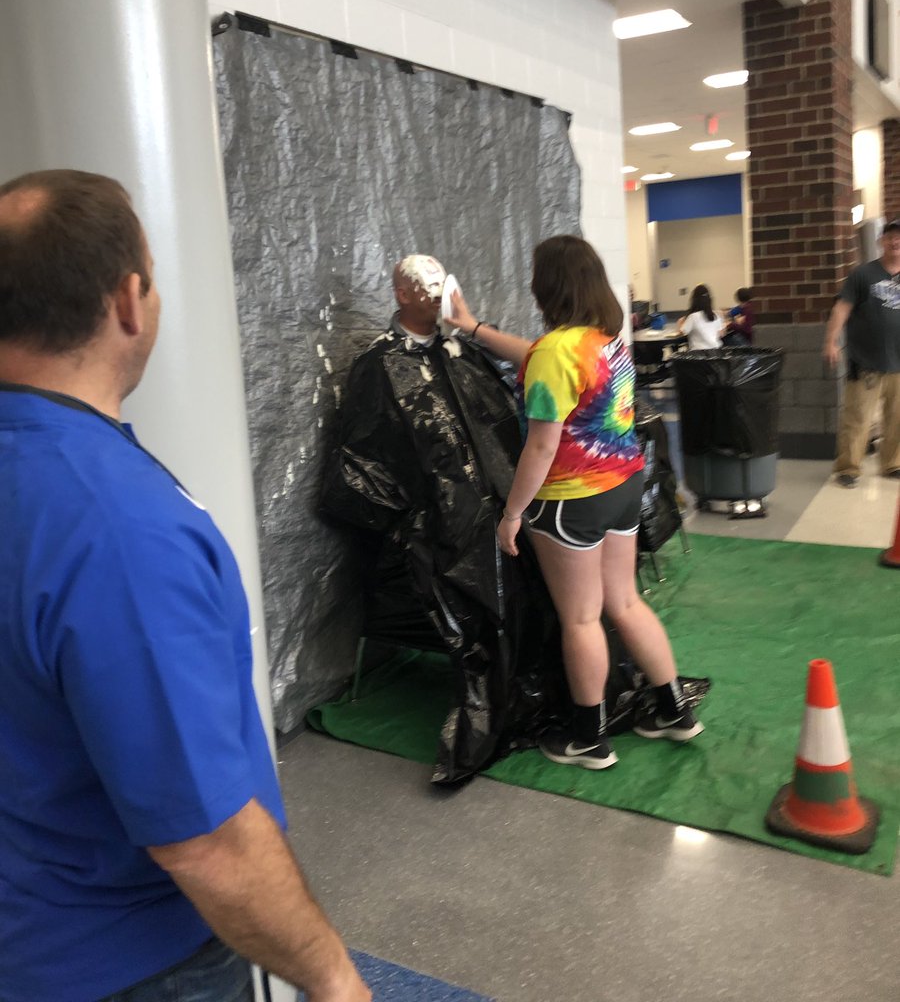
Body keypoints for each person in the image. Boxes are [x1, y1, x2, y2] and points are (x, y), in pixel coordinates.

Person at [0, 170, 369, 1002]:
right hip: (128, 966)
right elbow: (204, 840)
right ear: (130, 301)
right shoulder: (115, 527)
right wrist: (337, 982)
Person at [448, 234, 703, 771]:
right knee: (626, 602)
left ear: (547, 286)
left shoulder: (554, 354)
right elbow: (535, 356)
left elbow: (541, 445)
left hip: (571, 504)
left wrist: (512, 514)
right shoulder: (607, 342)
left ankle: (589, 739)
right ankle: (674, 712)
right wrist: (472, 327)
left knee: (582, 618)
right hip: (624, 488)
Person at [321, 253, 569, 783]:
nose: (439, 295)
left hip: (503, 503)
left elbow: (509, 417)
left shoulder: (466, 353)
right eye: (427, 287)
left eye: (442, 284)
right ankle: (500, 695)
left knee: (545, 569)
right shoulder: (380, 366)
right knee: (481, 577)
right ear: (403, 295)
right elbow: (359, 468)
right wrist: (416, 515)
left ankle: (558, 685)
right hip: (441, 523)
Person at [823, 217, 900, 488]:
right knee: (857, 418)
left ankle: (893, 463)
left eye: (899, 237)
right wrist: (831, 341)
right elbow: (842, 308)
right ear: (881, 241)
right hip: (866, 361)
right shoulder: (863, 275)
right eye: (890, 236)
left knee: (897, 419)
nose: (895, 241)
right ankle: (848, 468)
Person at [677, 283, 725, 350]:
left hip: (699, 354)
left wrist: (680, 322)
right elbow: (721, 334)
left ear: (694, 300)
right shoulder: (715, 315)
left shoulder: (693, 317)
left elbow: (682, 332)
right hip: (717, 353)